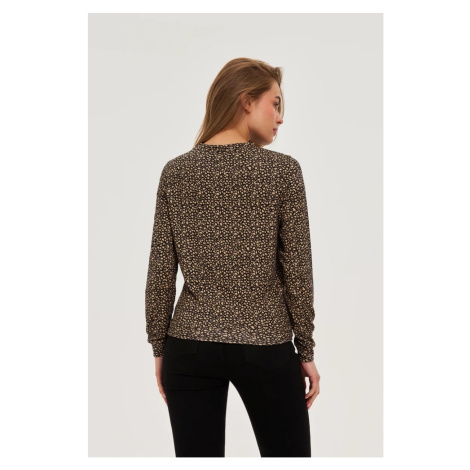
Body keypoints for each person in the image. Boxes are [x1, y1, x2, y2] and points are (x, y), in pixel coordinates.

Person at [145, 57, 320, 457]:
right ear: (246, 101)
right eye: (275, 104)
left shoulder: (176, 172)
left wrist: (159, 347)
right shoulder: (282, 172)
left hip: (188, 345)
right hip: (266, 343)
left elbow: (160, 272)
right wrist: (306, 350)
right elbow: (298, 271)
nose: (280, 117)